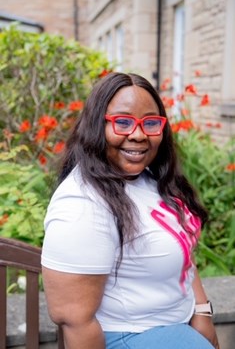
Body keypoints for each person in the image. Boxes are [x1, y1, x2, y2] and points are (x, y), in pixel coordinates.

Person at [41, 72, 220, 349]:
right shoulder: (82, 205)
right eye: (122, 122)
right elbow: (75, 321)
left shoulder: (148, 178)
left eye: (150, 123)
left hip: (172, 325)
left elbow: (183, 251)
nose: (138, 135)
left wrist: (201, 311)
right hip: (128, 336)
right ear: (96, 126)